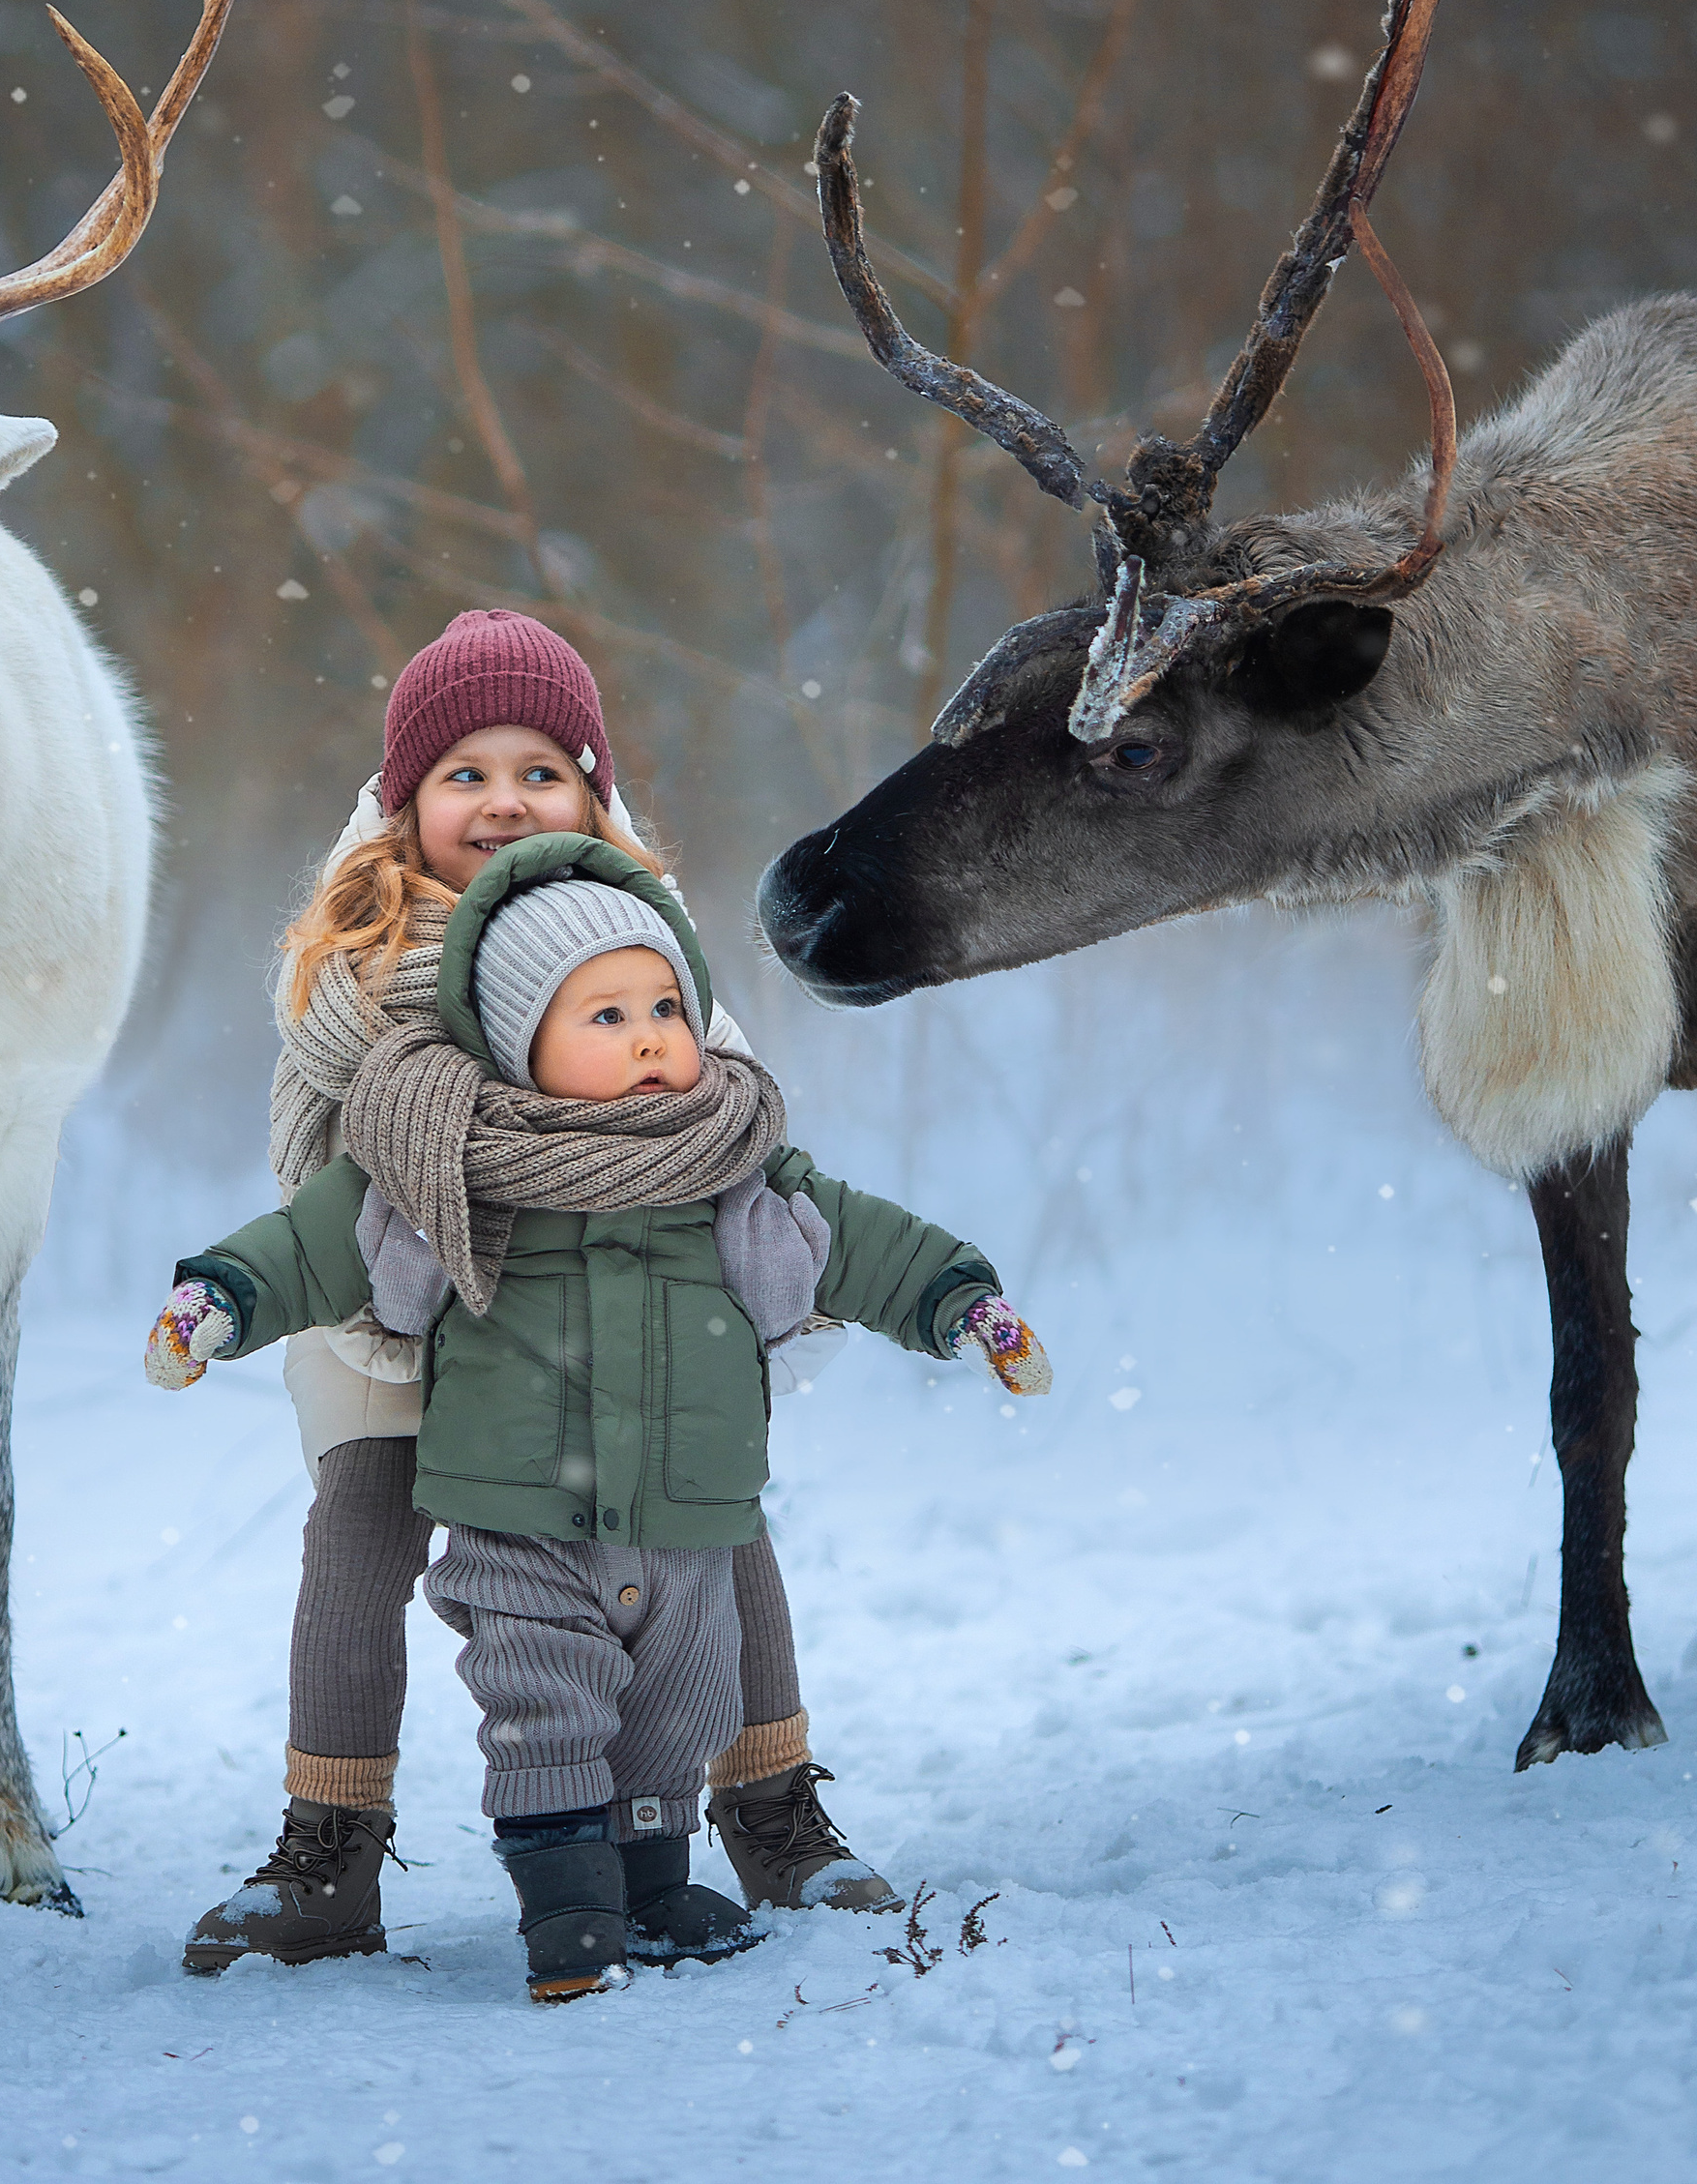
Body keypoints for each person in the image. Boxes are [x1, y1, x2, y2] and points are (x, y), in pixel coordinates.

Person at [151, 830, 1051, 2001]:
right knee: (544, 1712)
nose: (648, 1036)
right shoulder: (453, 1171)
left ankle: (650, 1883)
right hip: (521, 1518)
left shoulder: (733, 1167)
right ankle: (569, 1912)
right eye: (606, 1014)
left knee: (680, 1710)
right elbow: (322, 1242)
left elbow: (860, 1243)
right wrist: (216, 1296)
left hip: (684, 1518)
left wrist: (961, 1301)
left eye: (664, 1005)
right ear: (522, 1043)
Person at [164, 612, 891, 1974]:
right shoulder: (355, 960)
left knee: (706, 1520)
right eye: (465, 771)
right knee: (360, 1530)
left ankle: (771, 1807)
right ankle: (330, 1847)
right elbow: (326, 1161)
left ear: (595, 792)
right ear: (401, 803)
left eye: (542, 768)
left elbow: (721, 1101)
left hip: (604, 1312)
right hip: (390, 1299)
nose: (505, 797)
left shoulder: (641, 942)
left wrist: (774, 1259)